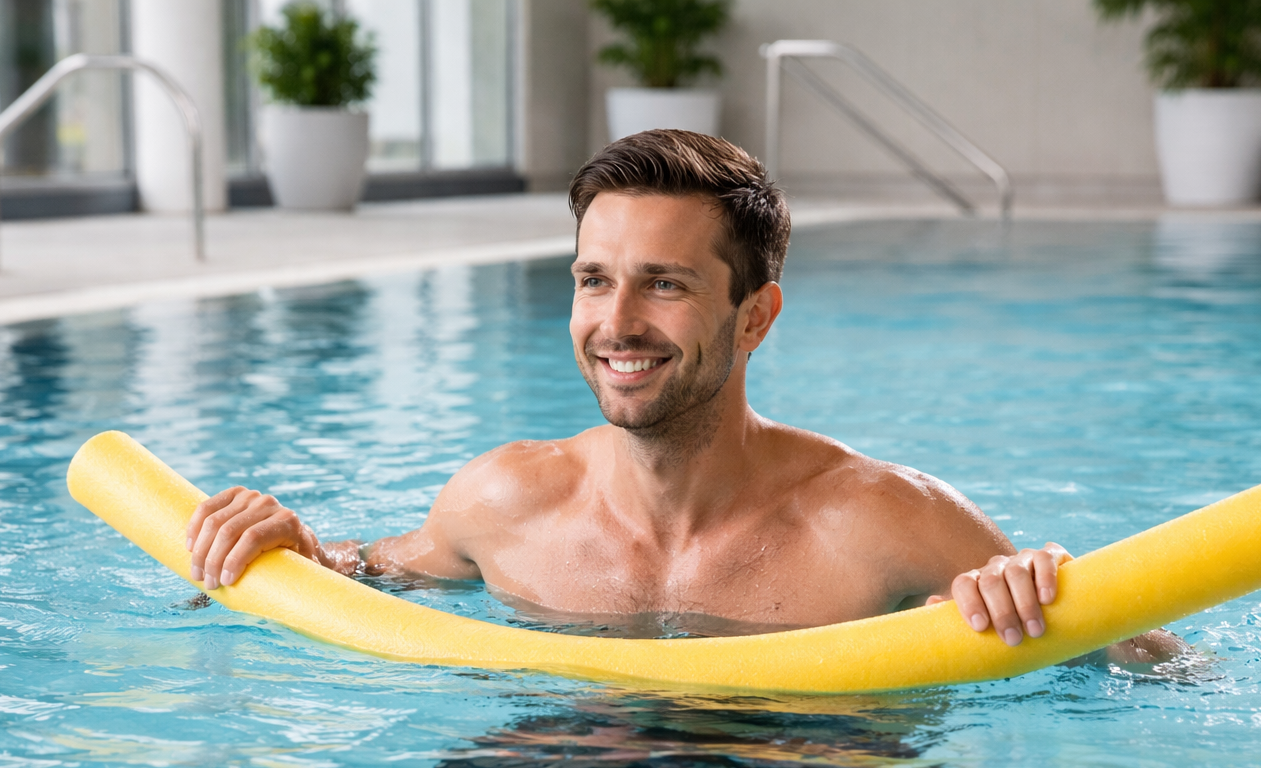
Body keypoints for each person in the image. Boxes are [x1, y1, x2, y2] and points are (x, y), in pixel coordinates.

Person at [185, 130, 1178, 659]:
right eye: (592, 279)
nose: (615, 321)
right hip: (569, 762)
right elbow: (371, 571)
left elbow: (1160, 664)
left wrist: (1055, 605)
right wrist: (289, 547)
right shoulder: (504, 500)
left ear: (753, 316)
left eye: (663, 283)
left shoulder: (878, 520)